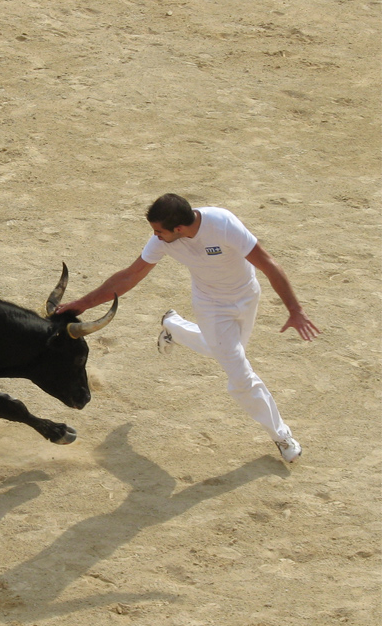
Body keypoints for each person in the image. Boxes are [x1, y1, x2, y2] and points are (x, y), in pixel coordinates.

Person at [54, 193, 319, 462]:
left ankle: (173, 326)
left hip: (247, 296)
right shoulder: (162, 241)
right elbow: (131, 274)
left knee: (222, 351)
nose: (155, 236)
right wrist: (83, 304)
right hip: (211, 306)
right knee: (240, 374)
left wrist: (295, 310)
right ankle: (282, 436)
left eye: (158, 231)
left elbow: (269, 264)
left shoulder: (223, 223)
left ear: (178, 229)